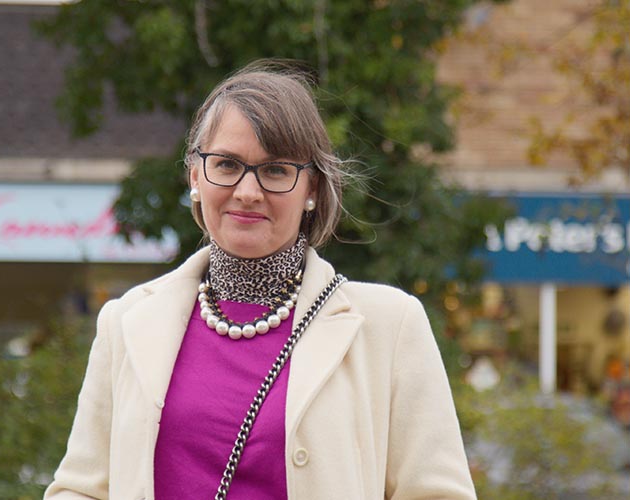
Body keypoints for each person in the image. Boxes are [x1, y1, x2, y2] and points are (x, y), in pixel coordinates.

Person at [44, 61, 477, 499]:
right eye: (227, 165)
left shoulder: (390, 326)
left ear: (312, 189)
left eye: (275, 170)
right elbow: (80, 489)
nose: (247, 192)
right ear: (196, 176)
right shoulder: (128, 321)